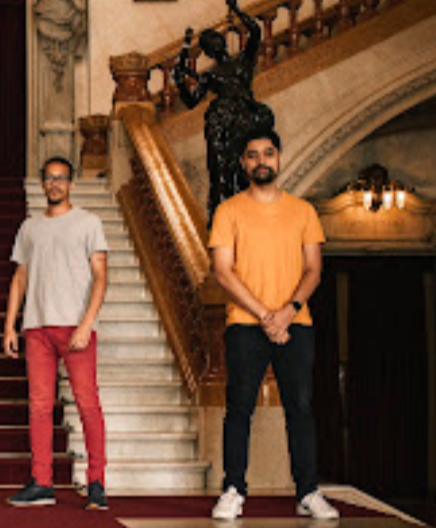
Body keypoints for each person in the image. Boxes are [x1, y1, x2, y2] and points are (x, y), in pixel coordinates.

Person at [208, 129, 338, 520]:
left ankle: (308, 491)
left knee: (300, 407)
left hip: (295, 323)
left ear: (278, 158)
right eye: (252, 155)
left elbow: (314, 269)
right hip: (246, 324)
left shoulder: (304, 211)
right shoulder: (228, 210)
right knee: (239, 408)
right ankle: (233, 490)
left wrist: (288, 310)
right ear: (244, 163)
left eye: (268, 153)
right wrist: (266, 314)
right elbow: (222, 271)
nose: (261, 161)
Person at [3, 157, 109, 511]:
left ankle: (96, 483)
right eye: (49, 178)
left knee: (87, 404)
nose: (55, 184)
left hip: (75, 327)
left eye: (61, 178)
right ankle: (42, 482)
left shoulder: (88, 222)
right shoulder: (30, 227)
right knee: (39, 407)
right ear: (42, 183)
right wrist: (10, 324)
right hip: (36, 328)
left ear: (71, 184)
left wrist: (86, 323)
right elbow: (20, 277)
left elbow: (101, 276)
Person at [173, 0, 275, 221]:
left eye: (216, 39)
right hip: (220, 119)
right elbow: (191, 102)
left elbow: (255, 30)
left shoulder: (244, 60)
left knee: (246, 168)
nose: (215, 44)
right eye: (210, 43)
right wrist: (181, 83)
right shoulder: (211, 75)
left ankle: (246, 213)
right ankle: (221, 217)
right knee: (219, 171)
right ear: (208, 51)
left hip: (245, 116)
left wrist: (236, 9)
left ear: (223, 40)